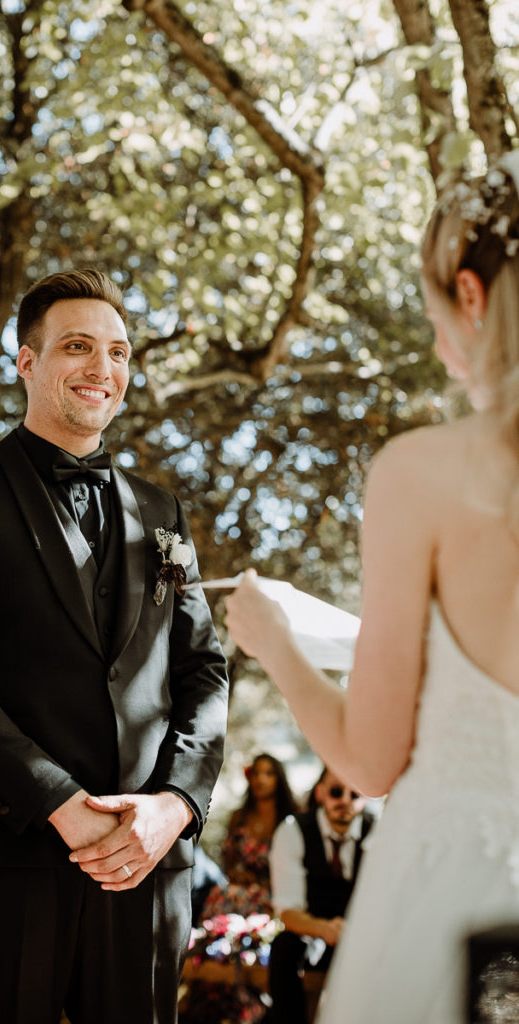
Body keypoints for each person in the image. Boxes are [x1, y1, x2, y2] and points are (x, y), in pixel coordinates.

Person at [224, 149, 519, 1024]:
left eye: (434, 314)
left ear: (470, 296)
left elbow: (370, 758)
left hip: (460, 903)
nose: (435, 344)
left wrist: (276, 640)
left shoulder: (426, 474)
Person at [0, 269, 230, 1024]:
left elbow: (204, 670)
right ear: (26, 362)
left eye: (117, 352)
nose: (101, 369)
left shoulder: (161, 509)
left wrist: (173, 805)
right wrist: (59, 803)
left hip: (147, 867)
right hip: (6, 862)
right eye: (77, 347)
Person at [266, 766, 374, 1023]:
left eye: (355, 795)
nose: (345, 801)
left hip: (363, 931)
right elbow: (288, 911)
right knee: (284, 949)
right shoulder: (293, 831)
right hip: (312, 930)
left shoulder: (379, 831)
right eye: (336, 792)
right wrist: (326, 929)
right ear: (321, 793)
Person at [200, 753, 297, 921]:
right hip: (238, 889)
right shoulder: (239, 817)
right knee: (221, 895)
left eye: (268, 774)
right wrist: (237, 873)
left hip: (275, 893)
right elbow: (227, 860)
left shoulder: (288, 819)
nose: (261, 779)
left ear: (278, 778)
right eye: (256, 773)